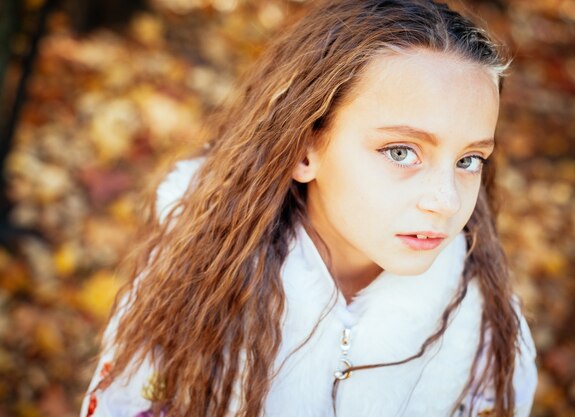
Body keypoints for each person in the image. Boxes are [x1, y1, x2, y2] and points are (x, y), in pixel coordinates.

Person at [80, 0, 538, 416]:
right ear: (305, 150)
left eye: (468, 160)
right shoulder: (197, 281)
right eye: (401, 151)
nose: (445, 200)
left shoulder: (481, 333)